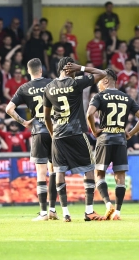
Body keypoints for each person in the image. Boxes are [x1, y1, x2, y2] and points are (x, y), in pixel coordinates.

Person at [43, 58, 107, 222]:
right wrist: (83, 67)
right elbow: (102, 73)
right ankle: (89, 211)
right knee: (89, 169)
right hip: (77, 132)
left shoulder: (49, 88)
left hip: (58, 134)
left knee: (59, 171)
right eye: (74, 68)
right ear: (69, 68)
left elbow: (46, 117)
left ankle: (65, 213)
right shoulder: (76, 83)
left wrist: (53, 134)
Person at [87, 69, 139, 220]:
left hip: (105, 137)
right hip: (121, 138)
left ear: (106, 81)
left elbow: (89, 114)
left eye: (100, 81)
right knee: (120, 176)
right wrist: (131, 133)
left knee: (99, 173)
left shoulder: (100, 96)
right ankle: (118, 212)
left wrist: (94, 131)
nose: (98, 85)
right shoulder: (126, 97)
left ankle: (108, 205)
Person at [6, 58, 58, 221]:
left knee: (41, 173)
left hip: (38, 131)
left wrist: (24, 122)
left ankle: (43, 213)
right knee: (54, 171)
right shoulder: (53, 83)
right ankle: (53, 210)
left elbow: (9, 109)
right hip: (54, 131)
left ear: (28, 72)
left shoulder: (24, 88)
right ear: (41, 70)